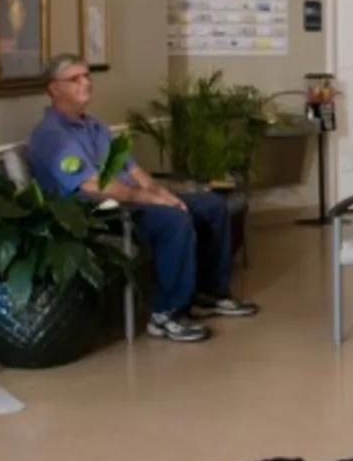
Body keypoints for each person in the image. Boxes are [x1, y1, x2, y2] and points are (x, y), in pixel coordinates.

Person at [26, 53, 258, 343]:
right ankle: (166, 314)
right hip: (97, 211)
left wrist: (160, 192)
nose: (86, 82)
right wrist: (148, 199)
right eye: (75, 79)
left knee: (211, 205)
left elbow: (132, 168)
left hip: (131, 199)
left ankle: (209, 293)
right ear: (54, 88)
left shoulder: (94, 126)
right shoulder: (52, 135)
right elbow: (92, 186)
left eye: (87, 76)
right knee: (174, 220)